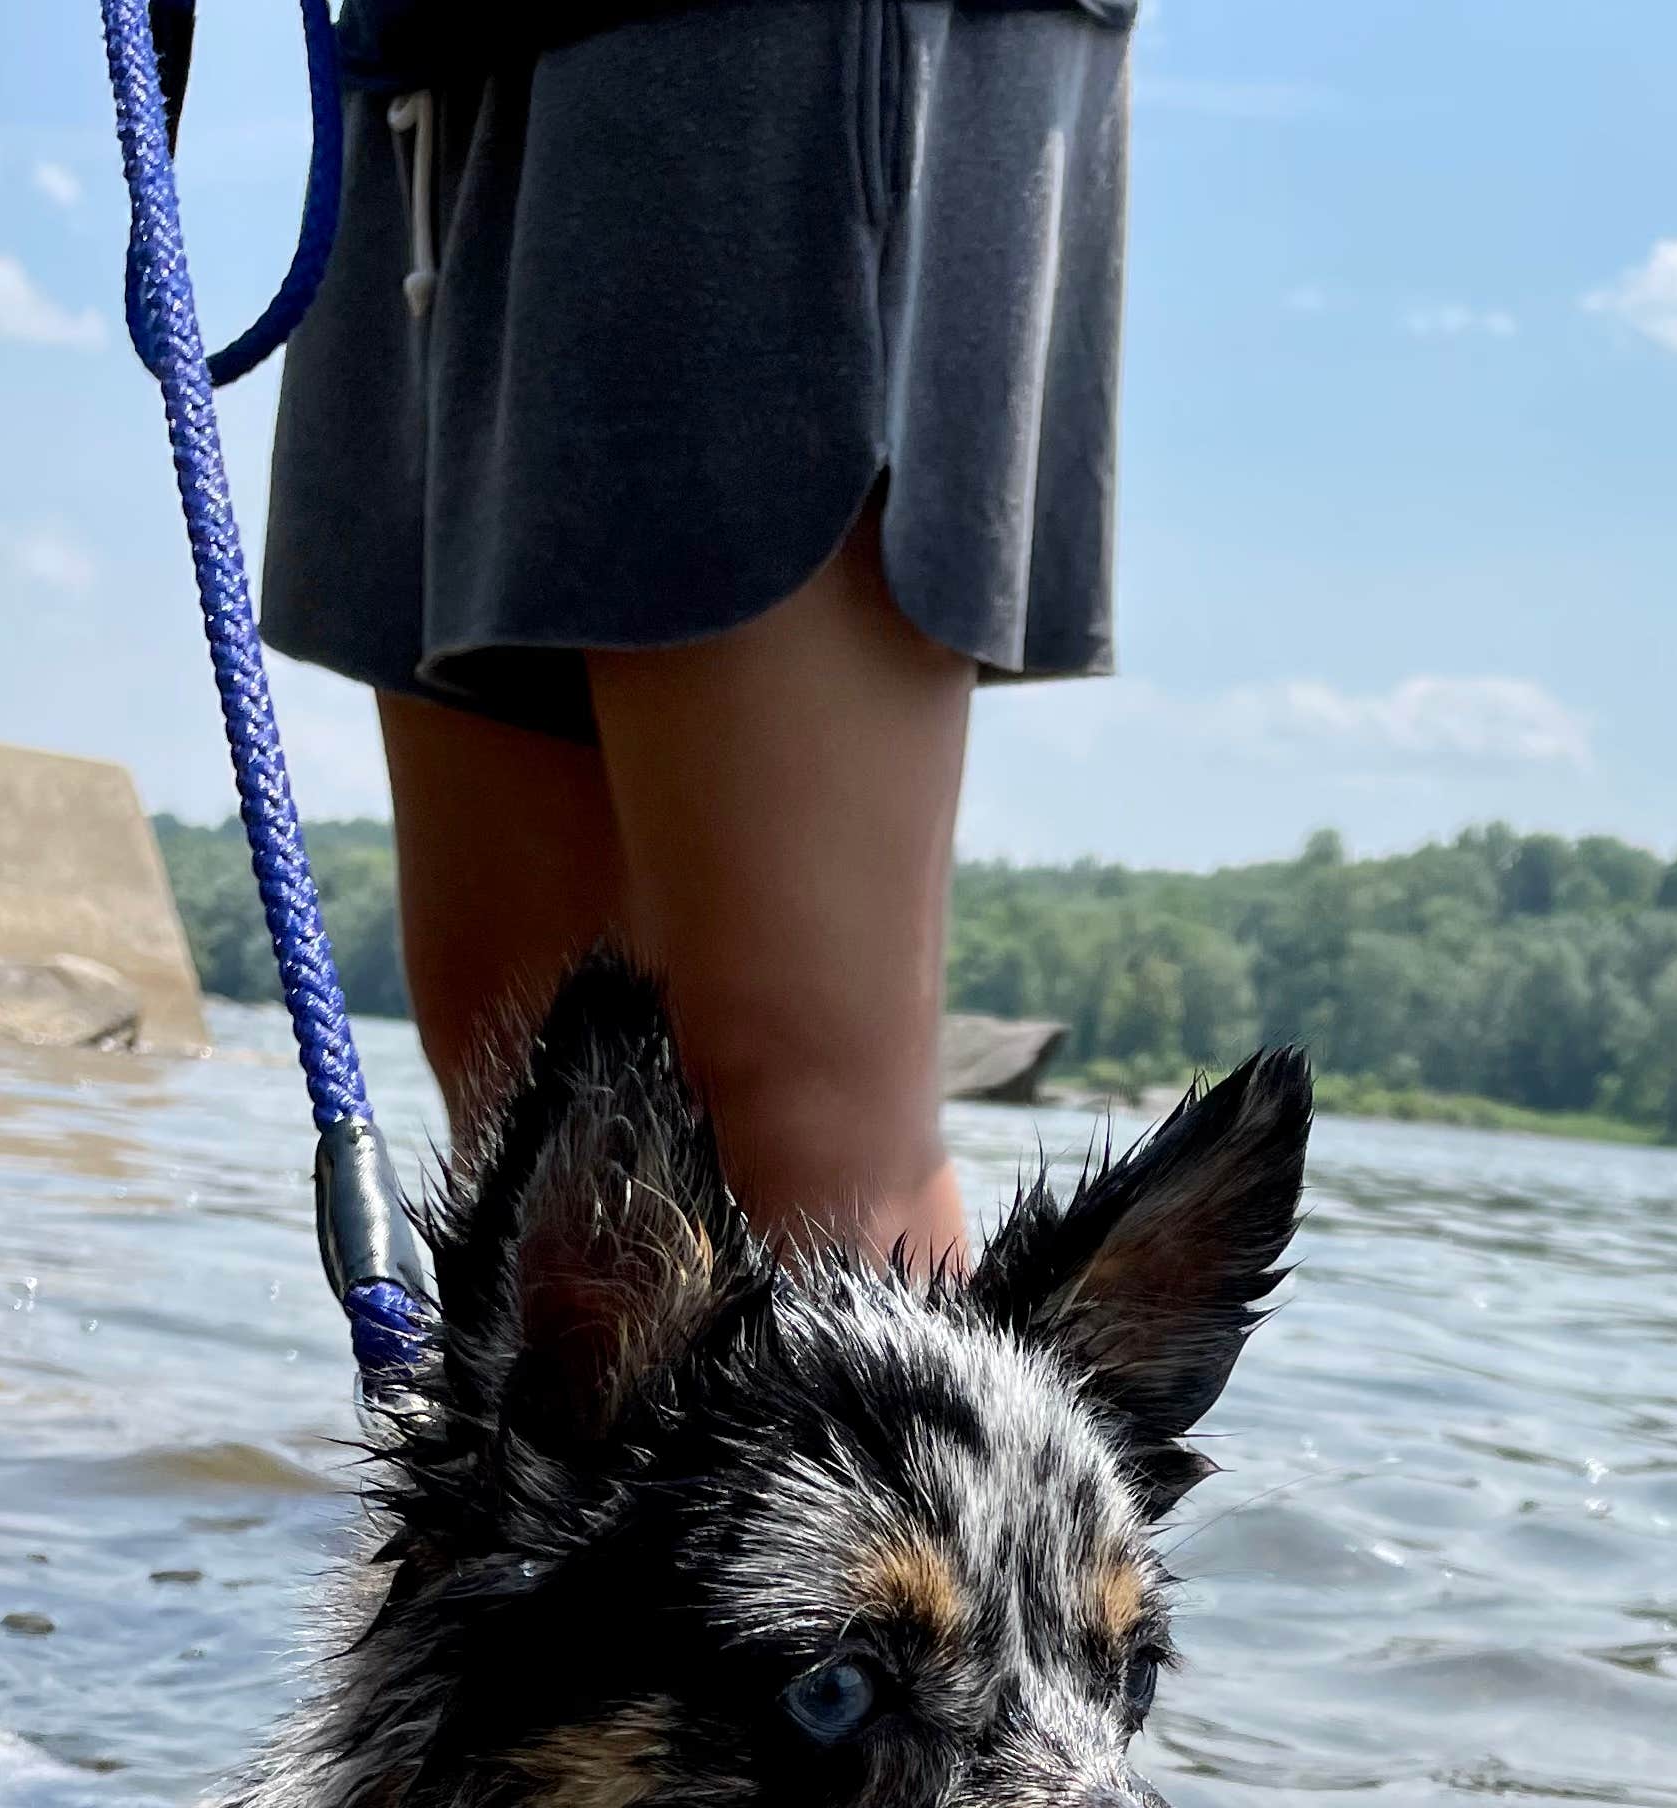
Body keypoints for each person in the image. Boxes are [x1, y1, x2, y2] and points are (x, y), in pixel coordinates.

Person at [259, 0, 1136, 1270]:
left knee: (788, 1112)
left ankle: (920, 1476)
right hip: (439, 77)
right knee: (533, 1124)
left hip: (767, 43)